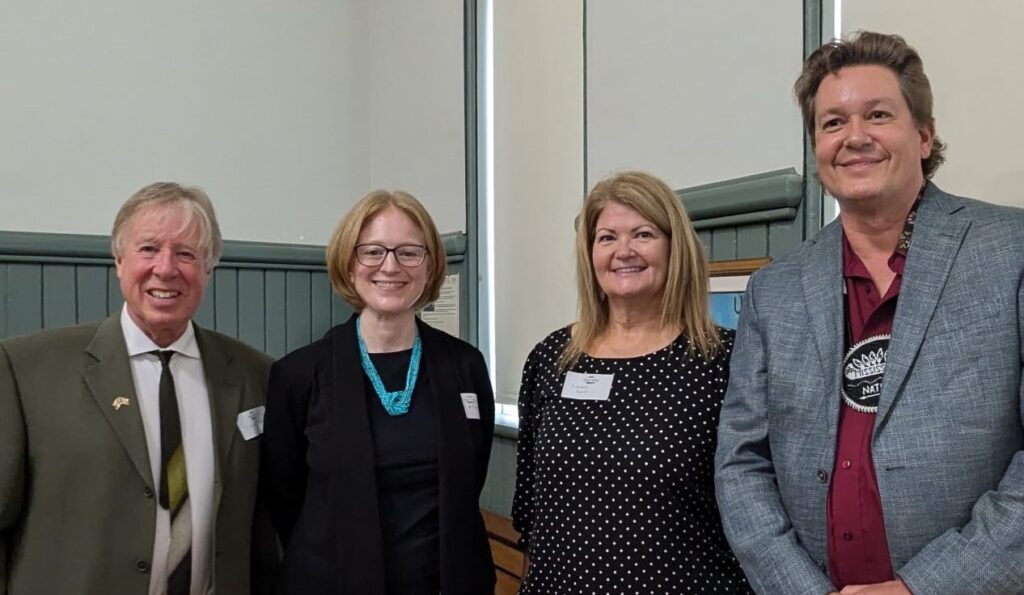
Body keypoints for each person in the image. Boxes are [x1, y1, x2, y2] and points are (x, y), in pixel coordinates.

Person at [715, 31, 1024, 594]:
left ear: (924, 135)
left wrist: (922, 587)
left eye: (877, 115)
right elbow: (741, 464)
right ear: (816, 149)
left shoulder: (1011, 253)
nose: (854, 137)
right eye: (833, 123)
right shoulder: (773, 290)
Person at [0, 182, 273, 595]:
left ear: (209, 269)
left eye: (186, 253)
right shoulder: (27, 370)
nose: (165, 269)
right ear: (119, 261)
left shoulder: (258, 375)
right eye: (148, 249)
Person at [512, 171, 750, 594]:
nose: (624, 251)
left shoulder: (723, 362)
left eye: (643, 234)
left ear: (675, 248)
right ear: (589, 254)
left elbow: (756, 502)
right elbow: (532, 508)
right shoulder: (552, 358)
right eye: (606, 238)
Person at [262, 189, 495, 594]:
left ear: (429, 265)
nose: (390, 266)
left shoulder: (464, 366)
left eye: (409, 252)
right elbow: (285, 499)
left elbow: (469, 478)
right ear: (349, 263)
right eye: (372, 251)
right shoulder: (298, 375)